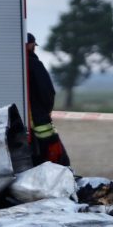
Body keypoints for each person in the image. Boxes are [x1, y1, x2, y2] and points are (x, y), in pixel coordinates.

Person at [26, 33, 70, 166]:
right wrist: (46, 110)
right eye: (34, 45)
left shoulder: (13, 64)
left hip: (21, 124)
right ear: (29, 45)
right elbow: (48, 92)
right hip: (39, 121)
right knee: (60, 160)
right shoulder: (34, 64)